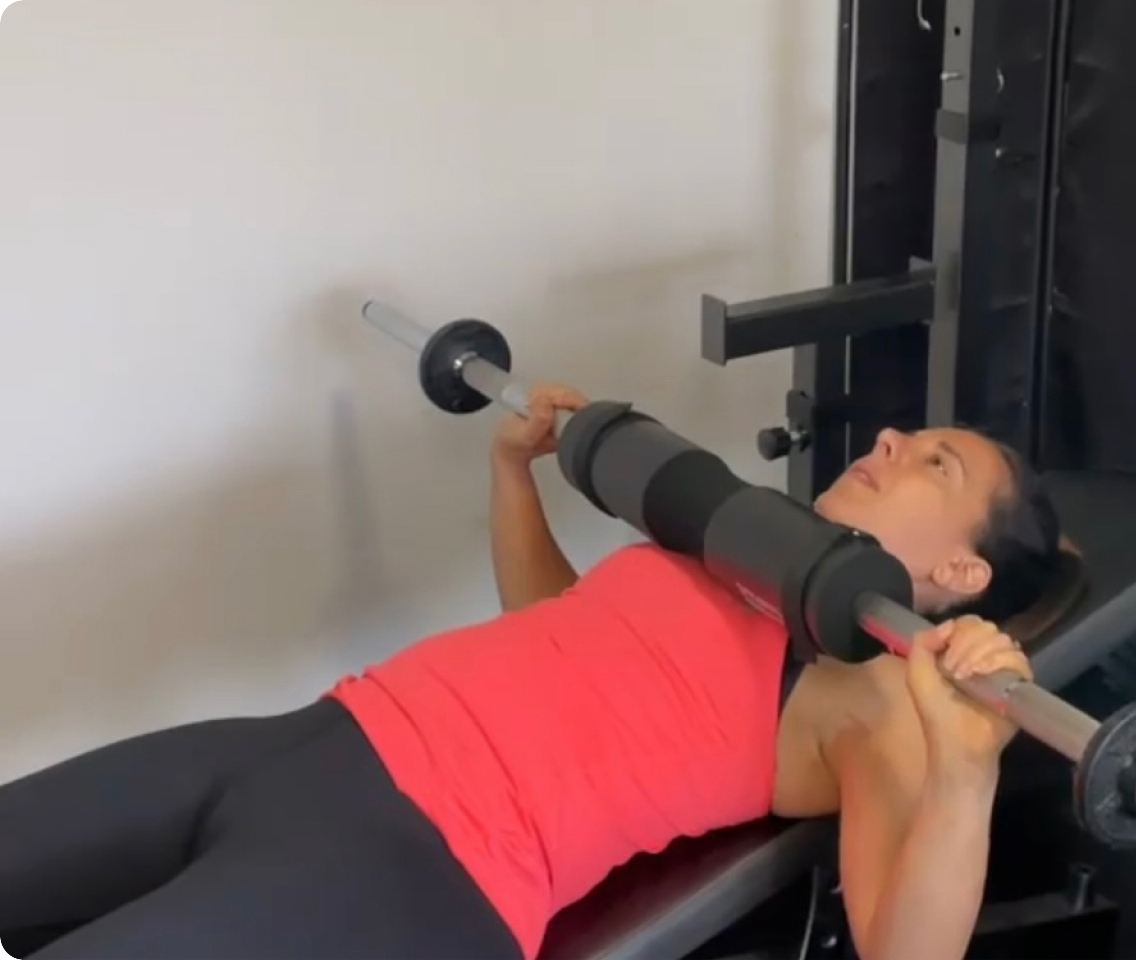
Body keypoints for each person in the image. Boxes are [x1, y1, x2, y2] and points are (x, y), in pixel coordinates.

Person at [0, 384, 1064, 960]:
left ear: (961, 569)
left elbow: (904, 953)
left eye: (935, 460)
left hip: (411, 870)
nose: (888, 436)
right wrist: (514, 473)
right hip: (313, 741)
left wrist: (966, 773)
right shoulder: (745, 551)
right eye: (910, 431)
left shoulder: (868, 695)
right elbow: (557, 630)